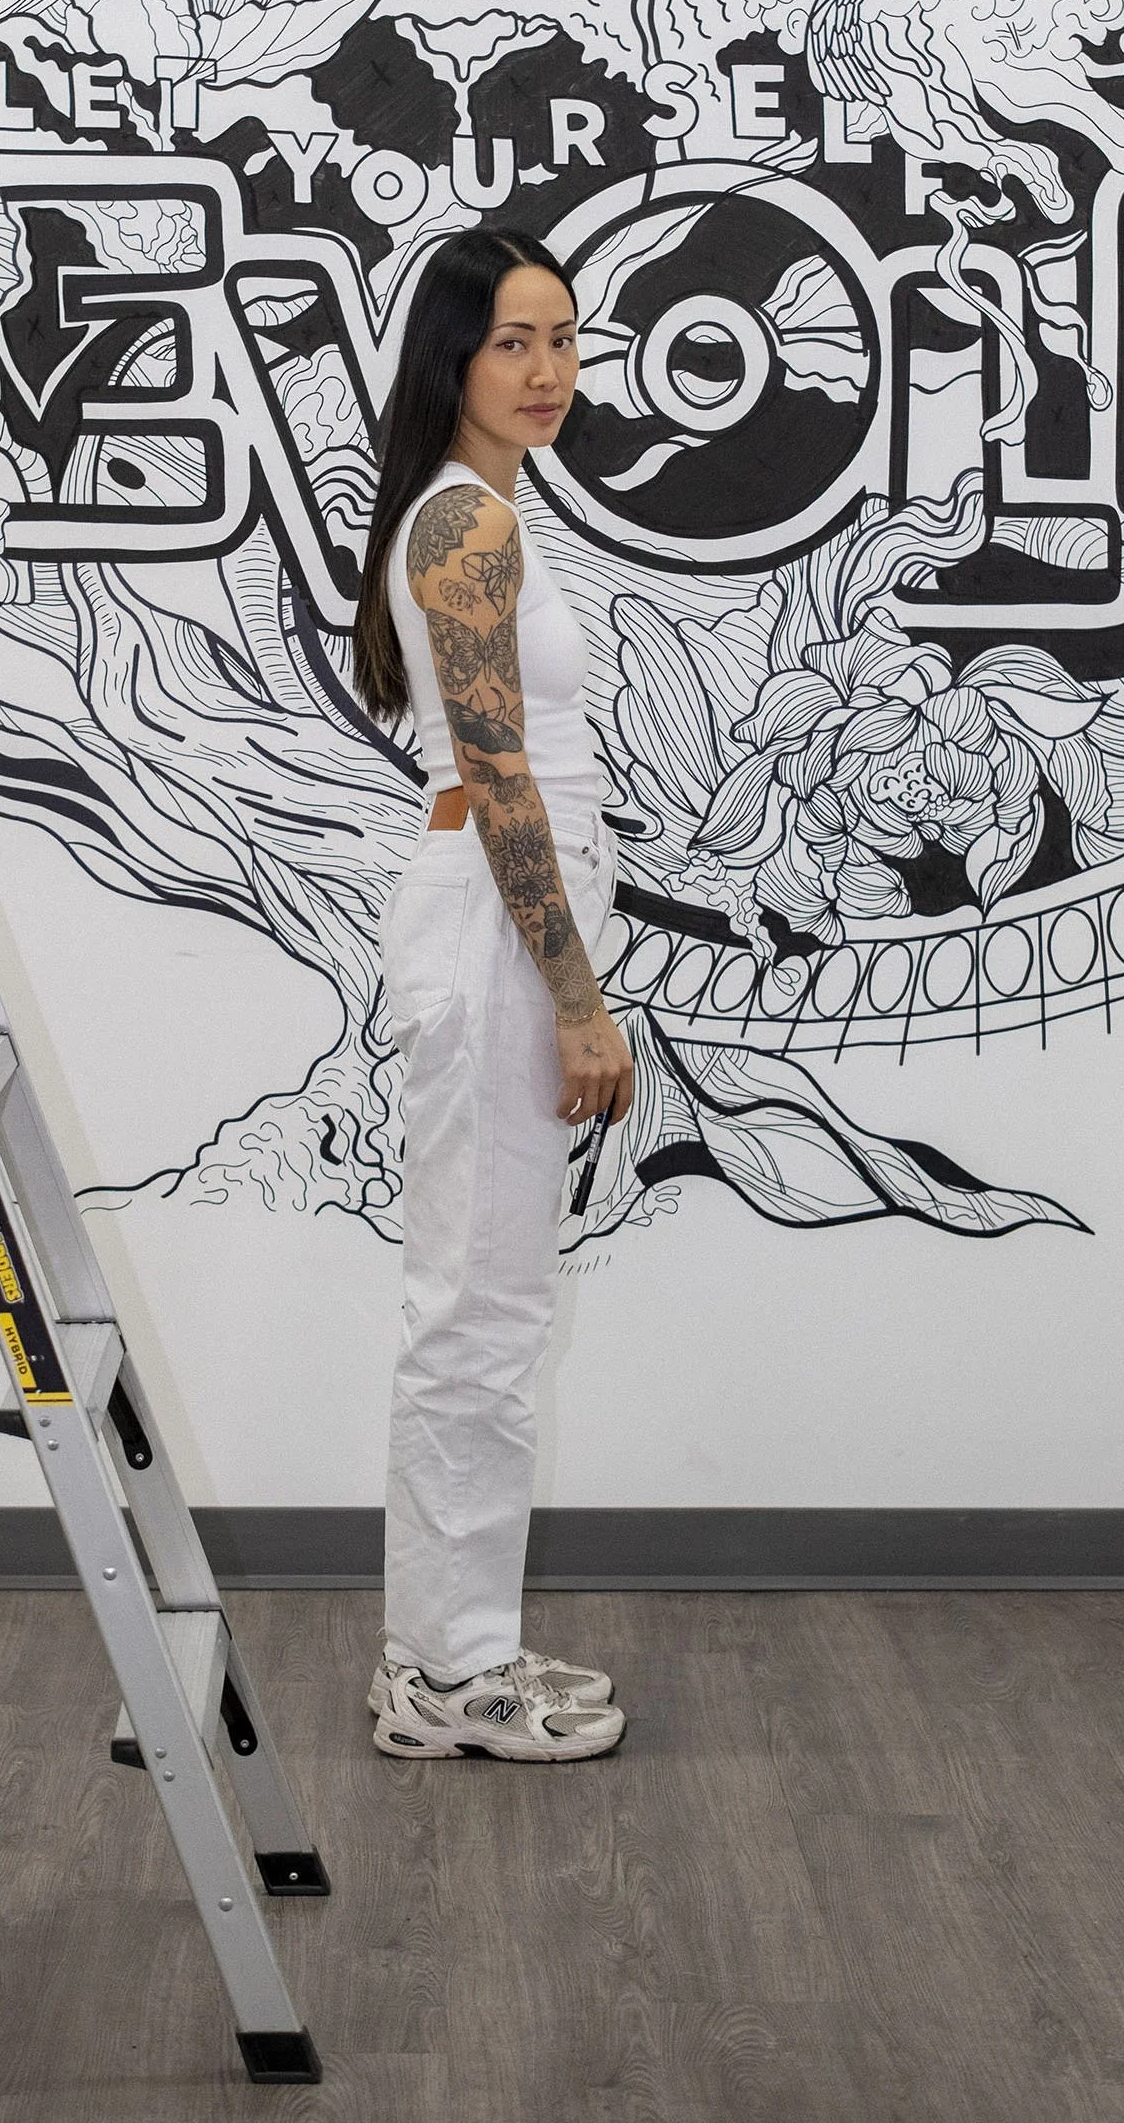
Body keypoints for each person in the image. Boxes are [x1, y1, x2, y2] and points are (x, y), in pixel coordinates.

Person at [352, 227, 636, 1763]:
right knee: (475, 1304)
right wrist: (581, 1001)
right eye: (514, 341)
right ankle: (447, 1675)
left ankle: (450, 1651)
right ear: (450, 357)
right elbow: (501, 775)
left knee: (493, 1299)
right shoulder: (462, 530)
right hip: (501, 933)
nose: (546, 373)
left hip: (512, 925)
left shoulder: (480, 515)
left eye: (565, 340)